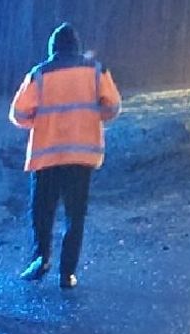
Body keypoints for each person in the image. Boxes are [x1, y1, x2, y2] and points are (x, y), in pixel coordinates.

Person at [9, 22, 122, 290]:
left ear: (52, 49)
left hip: (46, 156)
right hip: (81, 156)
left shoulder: (40, 73)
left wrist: (38, 121)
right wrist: (94, 118)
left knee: (42, 212)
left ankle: (41, 257)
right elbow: (114, 106)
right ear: (77, 46)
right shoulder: (96, 70)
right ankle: (67, 273)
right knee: (75, 215)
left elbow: (19, 113)